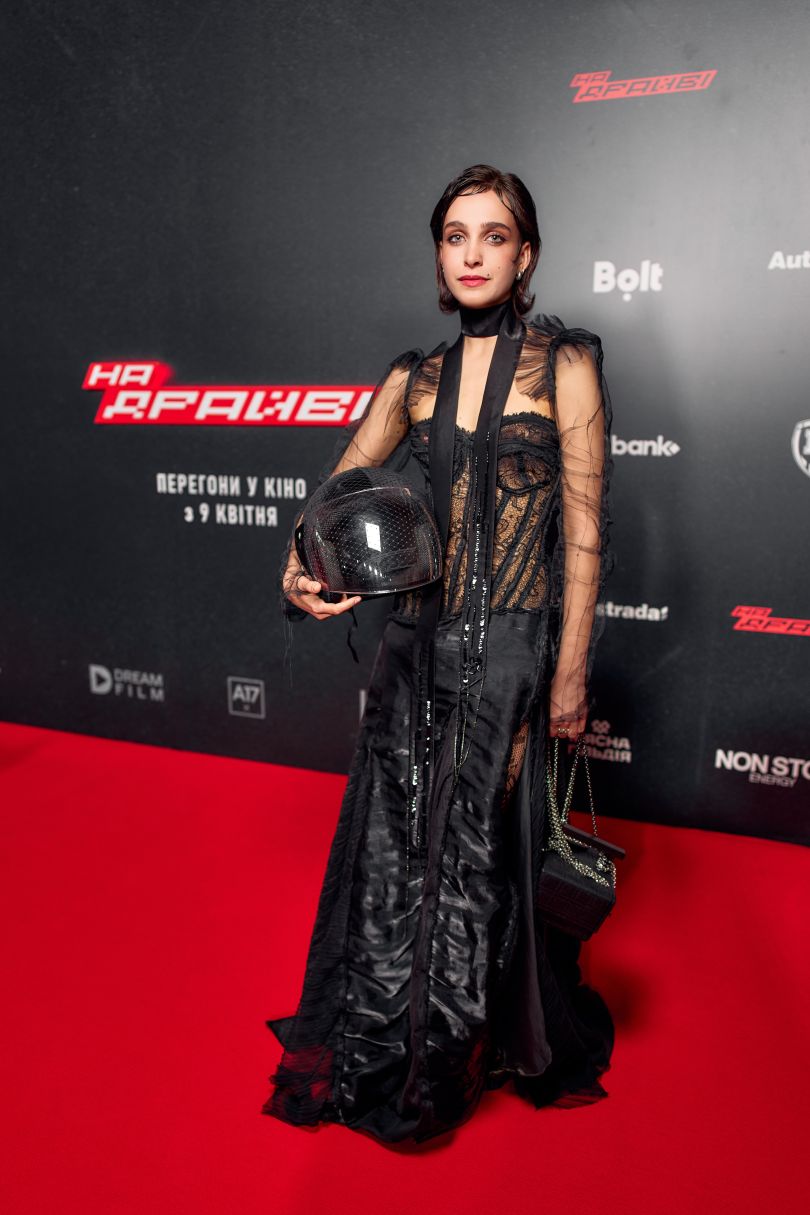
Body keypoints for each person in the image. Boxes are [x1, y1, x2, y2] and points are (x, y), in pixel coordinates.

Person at [262, 164, 615, 1145]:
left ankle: (441, 1070)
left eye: (493, 235)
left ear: (525, 255)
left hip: (511, 652)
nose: (471, 253)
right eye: (455, 235)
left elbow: (585, 532)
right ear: (438, 255)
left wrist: (569, 672)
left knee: (466, 859)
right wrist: (300, 570)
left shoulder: (565, 366)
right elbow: (333, 496)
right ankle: (382, 1047)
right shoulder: (413, 380)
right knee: (394, 849)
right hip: (415, 648)